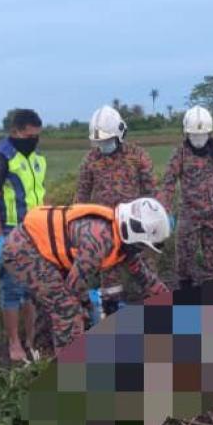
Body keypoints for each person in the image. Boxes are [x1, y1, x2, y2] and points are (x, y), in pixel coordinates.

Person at [1, 197, 171, 353]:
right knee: (67, 309)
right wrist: (86, 309)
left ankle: (43, 354)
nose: (142, 250)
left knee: (57, 305)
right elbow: (73, 287)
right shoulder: (100, 240)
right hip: (24, 250)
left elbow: (146, 278)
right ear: (135, 233)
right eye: (143, 246)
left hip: (44, 254)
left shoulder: (122, 242)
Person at [75, 106, 159, 309]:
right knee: (110, 282)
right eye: (100, 142)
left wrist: (158, 217)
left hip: (136, 227)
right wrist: (77, 224)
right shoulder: (90, 160)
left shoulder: (137, 156)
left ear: (120, 133)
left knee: (146, 275)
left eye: (107, 140)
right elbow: (82, 194)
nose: (104, 145)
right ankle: (113, 316)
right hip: (104, 229)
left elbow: (151, 191)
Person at [0, 109, 45, 363]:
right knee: (11, 289)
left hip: (36, 229)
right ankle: (14, 343)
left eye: (37, 136)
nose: (34, 140)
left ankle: (32, 340)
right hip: (10, 230)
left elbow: (39, 194)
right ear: (16, 132)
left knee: (32, 288)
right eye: (30, 135)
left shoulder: (35, 158)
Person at [157, 106, 213, 289]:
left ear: (209, 133)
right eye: (194, 135)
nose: (198, 140)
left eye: (201, 135)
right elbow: (168, 182)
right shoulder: (179, 153)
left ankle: (212, 304)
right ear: (186, 134)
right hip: (190, 215)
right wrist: (164, 208)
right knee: (184, 262)